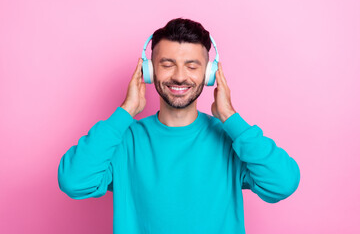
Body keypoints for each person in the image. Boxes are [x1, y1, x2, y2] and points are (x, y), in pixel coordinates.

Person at [58, 17, 300, 234]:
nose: (180, 76)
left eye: (192, 66)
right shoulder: (124, 140)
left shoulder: (232, 140)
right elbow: (74, 181)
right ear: (149, 71)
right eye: (167, 64)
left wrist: (230, 117)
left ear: (209, 74)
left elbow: (282, 183)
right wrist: (126, 111)